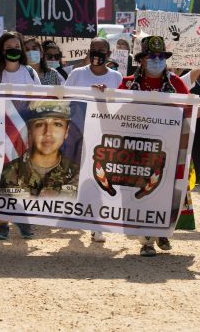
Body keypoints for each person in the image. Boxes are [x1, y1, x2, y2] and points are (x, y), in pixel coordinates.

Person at [119, 36, 200, 256]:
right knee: (141, 191)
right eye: (152, 56)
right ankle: (146, 240)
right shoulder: (128, 83)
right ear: (142, 60)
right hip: (138, 148)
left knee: (167, 190)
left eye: (161, 57)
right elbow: (114, 112)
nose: (157, 60)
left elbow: (188, 111)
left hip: (169, 147)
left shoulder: (176, 83)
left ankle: (163, 230)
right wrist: (101, 94)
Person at [64, 36, 123, 244]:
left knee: (100, 177)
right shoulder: (77, 74)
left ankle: (96, 224)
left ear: (109, 55)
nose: (96, 54)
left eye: (101, 50)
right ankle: (76, 215)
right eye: (93, 49)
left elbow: (120, 105)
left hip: (103, 134)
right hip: (78, 132)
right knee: (77, 176)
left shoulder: (116, 77)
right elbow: (64, 99)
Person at [0, 32, 41, 240]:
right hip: (0, 134)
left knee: (23, 177)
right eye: (9, 46)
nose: (14, 49)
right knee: (3, 179)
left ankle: (23, 219)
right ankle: (3, 223)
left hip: (24, 133)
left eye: (17, 45)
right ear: (1, 50)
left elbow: (39, 101)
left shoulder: (30, 72)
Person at [0, 101, 79, 197]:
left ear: (66, 132)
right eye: (39, 124)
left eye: (57, 124)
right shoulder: (4, 174)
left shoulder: (78, 175)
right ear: (30, 131)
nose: (48, 132)